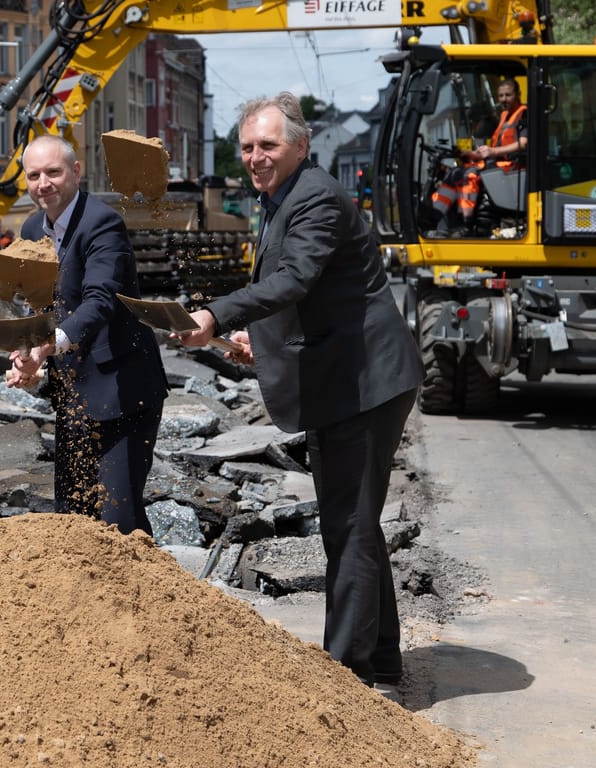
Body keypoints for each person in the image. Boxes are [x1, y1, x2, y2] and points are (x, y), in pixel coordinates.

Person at [174, 93, 423, 687]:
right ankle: (380, 658)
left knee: (348, 523)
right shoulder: (281, 197)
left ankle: (346, 675)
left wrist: (216, 313)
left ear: (301, 146)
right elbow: (314, 293)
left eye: (268, 145)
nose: (255, 157)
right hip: (347, 376)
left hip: (364, 382)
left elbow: (294, 278)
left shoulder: (313, 196)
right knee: (354, 519)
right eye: (248, 147)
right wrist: (257, 340)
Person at [6, 135, 168, 536]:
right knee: (72, 516)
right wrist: (27, 356)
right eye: (34, 175)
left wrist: (45, 348)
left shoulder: (102, 223)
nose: (44, 183)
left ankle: (146, 596)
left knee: (119, 518)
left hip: (124, 393)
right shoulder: (30, 226)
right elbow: (40, 305)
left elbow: (100, 302)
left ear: (76, 172)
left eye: (53, 172)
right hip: (74, 392)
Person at [430, 78, 528, 237]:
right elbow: (496, 148)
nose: (503, 99)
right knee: (455, 173)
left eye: (508, 95)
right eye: (501, 96)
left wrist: (493, 152)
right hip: (500, 163)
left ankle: (466, 223)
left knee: (470, 176)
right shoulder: (504, 116)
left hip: (515, 167)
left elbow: (524, 144)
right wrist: (472, 155)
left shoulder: (524, 113)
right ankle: (439, 216)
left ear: (518, 94)